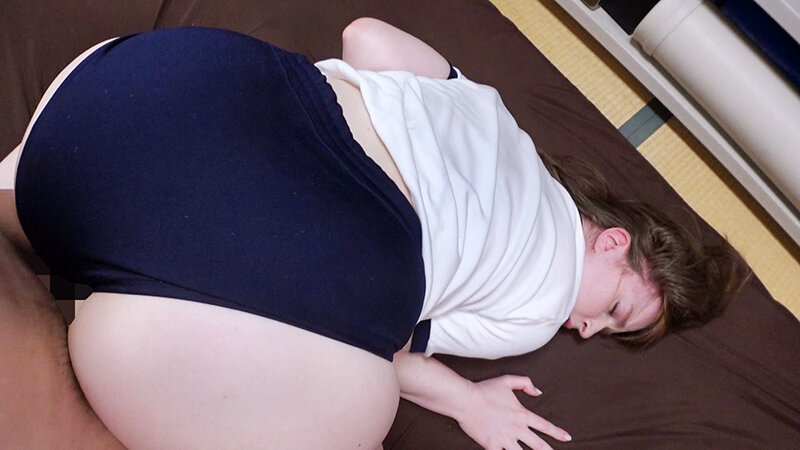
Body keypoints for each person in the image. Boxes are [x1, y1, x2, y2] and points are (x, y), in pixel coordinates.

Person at [0, 18, 748, 449]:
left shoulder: (492, 113)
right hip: (295, 237)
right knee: (364, 406)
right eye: (615, 310)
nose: (585, 330)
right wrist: (468, 401)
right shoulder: (537, 306)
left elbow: (366, 36)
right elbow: (394, 348)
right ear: (612, 242)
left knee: (54, 196)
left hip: (158, 85)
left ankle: (29, 201)